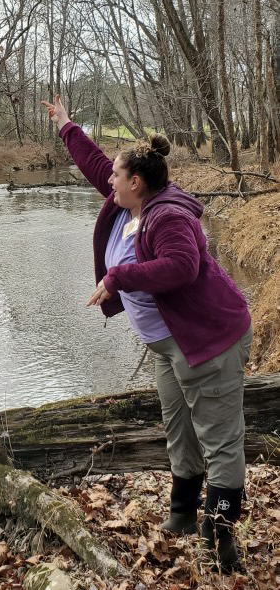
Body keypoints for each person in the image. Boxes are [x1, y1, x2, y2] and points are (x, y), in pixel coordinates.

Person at [41, 95, 252, 573]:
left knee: (221, 440)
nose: (109, 181)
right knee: (180, 431)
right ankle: (180, 517)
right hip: (169, 347)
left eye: (117, 176)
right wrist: (66, 125)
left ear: (136, 182)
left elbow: (182, 266)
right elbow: (97, 164)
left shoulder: (167, 216)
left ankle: (219, 538)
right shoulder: (125, 205)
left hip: (209, 341)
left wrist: (118, 278)